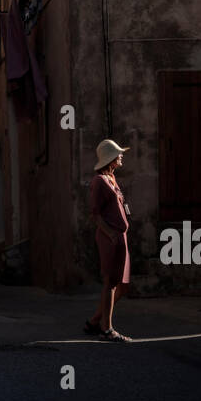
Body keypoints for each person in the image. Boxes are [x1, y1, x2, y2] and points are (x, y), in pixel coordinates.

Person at [84, 139, 135, 342]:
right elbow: (95, 214)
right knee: (111, 283)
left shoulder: (112, 179)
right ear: (111, 159)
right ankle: (107, 328)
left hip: (120, 236)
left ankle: (95, 321)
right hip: (110, 238)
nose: (122, 156)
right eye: (119, 154)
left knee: (123, 285)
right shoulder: (99, 182)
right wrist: (111, 234)